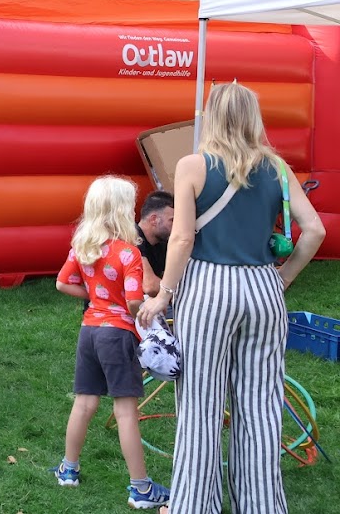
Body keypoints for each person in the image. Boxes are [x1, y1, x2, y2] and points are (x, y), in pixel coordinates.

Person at [137, 82, 325, 513]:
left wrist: (164, 294)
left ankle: (194, 506)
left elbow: (182, 237)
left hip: (207, 289)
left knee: (201, 406)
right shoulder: (277, 166)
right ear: (254, 118)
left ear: (212, 116)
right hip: (262, 288)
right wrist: (282, 278)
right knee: (260, 405)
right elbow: (314, 230)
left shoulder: (192, 165)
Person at [54, 176, 170, 509]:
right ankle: (141, 488)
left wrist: (94, 297)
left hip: (89, 332)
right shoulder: (129, 253)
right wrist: (145, 309)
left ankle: (68, 470)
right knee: (126, 411)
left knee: (84, 403)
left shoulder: (83, 246)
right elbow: (135, 302)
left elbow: (63, 284)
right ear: (121, 210)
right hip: (118, 335)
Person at [135, 191, 174, 297]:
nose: (176, 226)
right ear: (154, 220)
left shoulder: (162, 244)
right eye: (172, 220)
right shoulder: (132, 237)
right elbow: (150, 286)